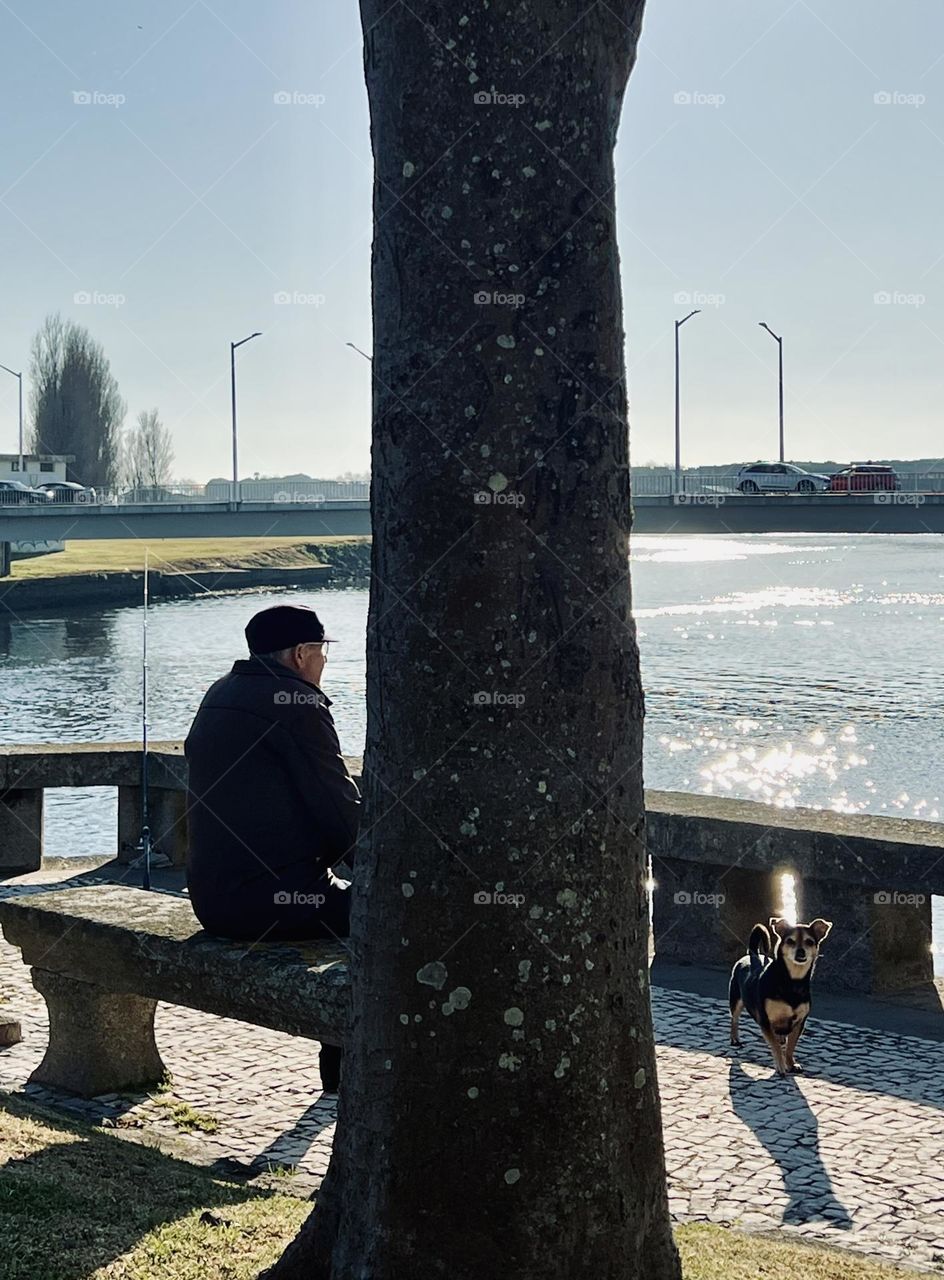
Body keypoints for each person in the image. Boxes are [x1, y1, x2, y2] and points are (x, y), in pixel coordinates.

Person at [184, 603, 360, 945]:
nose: (325, 661)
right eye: (322, 650)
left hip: (213, 903)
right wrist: (383, 877)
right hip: (281, 904)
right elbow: (339, 808)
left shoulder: (219, 691)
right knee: (418, 910)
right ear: (300, 654)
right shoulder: (298, 703)